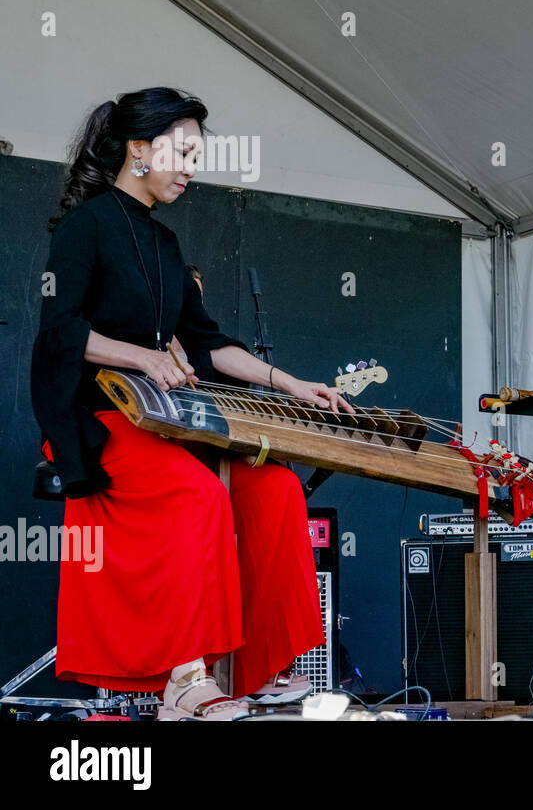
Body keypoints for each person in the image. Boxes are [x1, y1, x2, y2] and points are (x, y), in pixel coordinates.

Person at [31, 88, 354, 719]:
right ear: (139, 150)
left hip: (162, 422)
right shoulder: (85, 226)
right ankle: (185, 679)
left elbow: (206, 344)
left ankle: (259, 667)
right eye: (182, 151)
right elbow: (60, 331)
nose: (191, 166)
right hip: (97, 419)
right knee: (197, 495)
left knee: (275, 489)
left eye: (196, 155)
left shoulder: (165, 245)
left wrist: (291, 384)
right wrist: (144, 356)